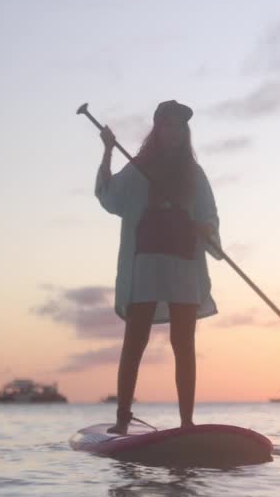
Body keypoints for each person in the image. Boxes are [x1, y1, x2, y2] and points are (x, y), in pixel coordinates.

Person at [94, 100, 222, 434]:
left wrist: (207, 230)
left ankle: (186, 424)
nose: (174, 132)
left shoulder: (194, 174)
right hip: (145, 265)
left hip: (183, 267)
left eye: (180, 127)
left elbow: (209, 215)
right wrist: (108, 150)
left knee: (185, 345)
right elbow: (110, 196)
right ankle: (122, 418)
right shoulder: (139, 168)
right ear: (158, 129)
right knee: (135, 341)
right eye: (168, 125)